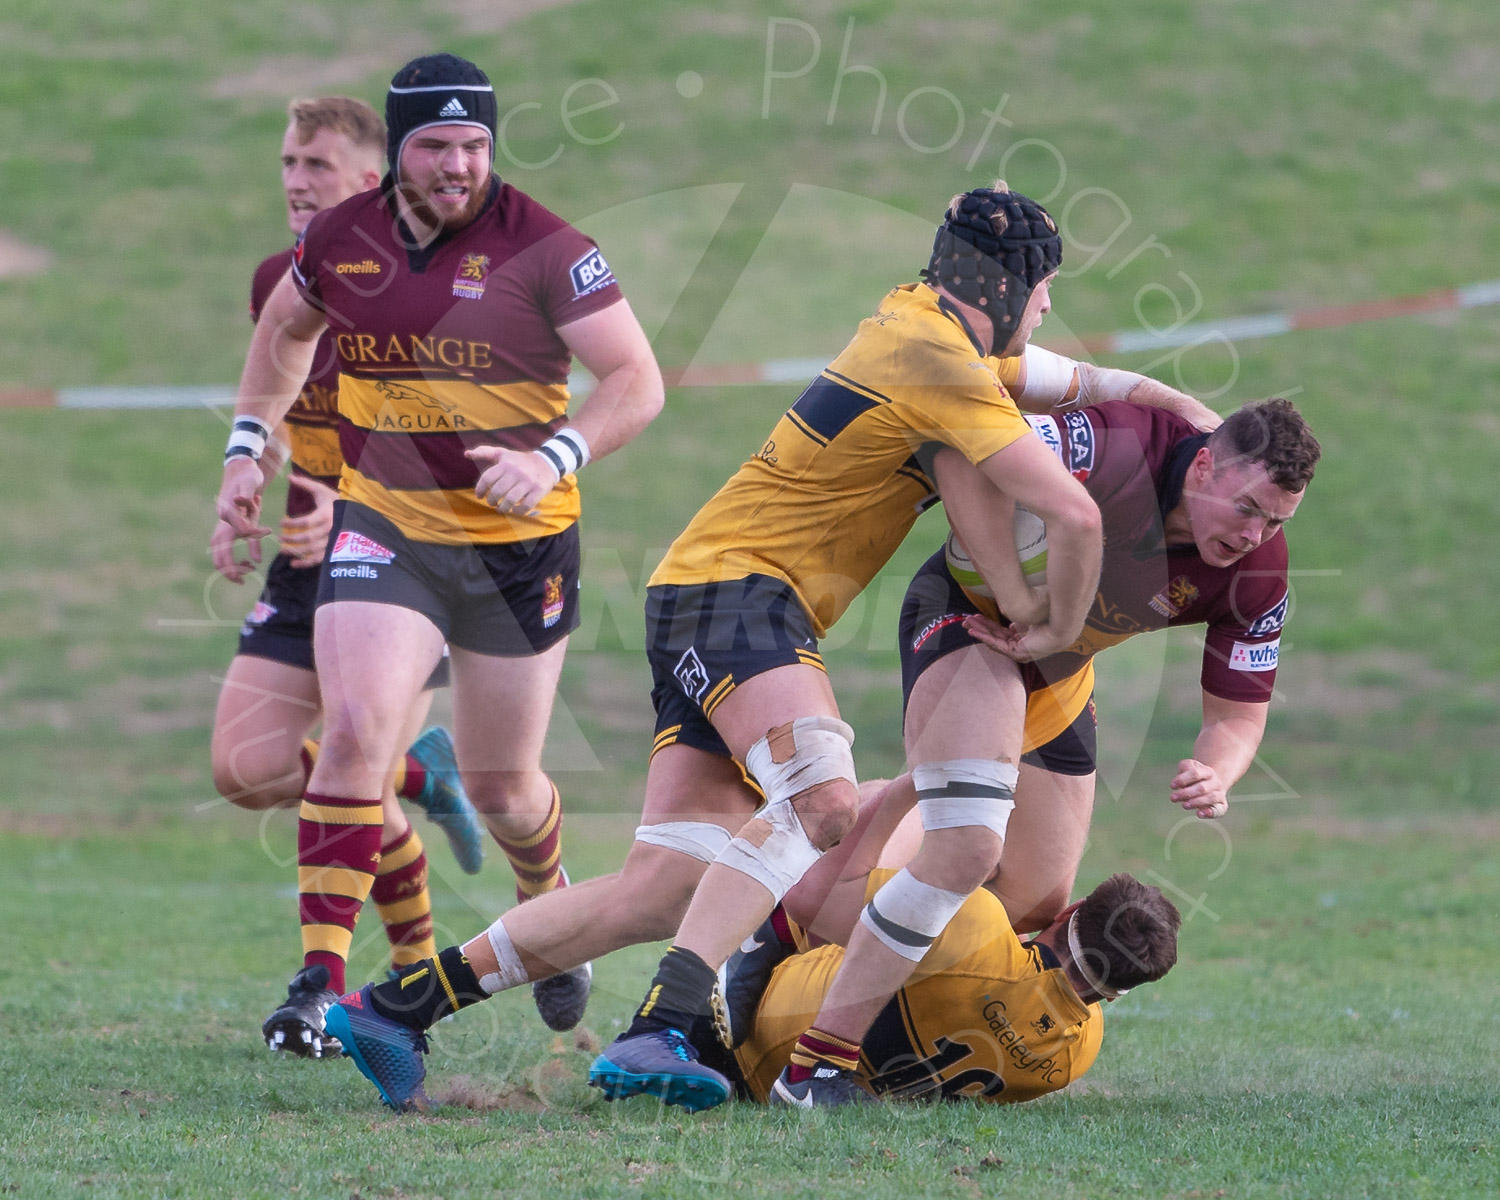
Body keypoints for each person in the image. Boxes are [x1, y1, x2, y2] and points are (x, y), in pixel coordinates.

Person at [315, 182, 1105, 1115]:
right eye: (1046, 286)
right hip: (740, 596)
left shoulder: (919, 326)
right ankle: (665, 1023)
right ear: (1010, 284)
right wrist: (1053, 627)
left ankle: (395, 1007)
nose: (1048, 306)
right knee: (821, 795)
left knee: (662, 887)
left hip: (710, 594)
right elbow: (1074, 508)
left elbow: (1040, 380)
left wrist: (1167, 399)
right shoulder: (939, 358)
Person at [213, 54, 664, 1050]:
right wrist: (249, 449)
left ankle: (549, 901)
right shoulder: (341, 237)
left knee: (507, 785)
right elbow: (285, 333)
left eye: (475, 145)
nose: (459, 165)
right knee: (358, 730)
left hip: (517, 546)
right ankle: (319, 986)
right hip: (385, 528)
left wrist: (556, 454)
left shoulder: (545, 246)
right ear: (400, 150)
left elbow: (637, 378)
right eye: (437, 146)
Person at [769, 396, 1320, 1104]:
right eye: (1248, 509)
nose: (1257, 534)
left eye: (1277, 520)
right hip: (974, 622)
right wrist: (1020, 601)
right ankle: (809, 1037)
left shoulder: (1259, 571)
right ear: (1206, 465)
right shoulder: (1114, 446)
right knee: (967, 843)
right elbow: (953, 447)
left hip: (1059, 673)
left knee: (1034, 902)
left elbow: (1238, 718)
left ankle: (866, 992)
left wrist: (1218, 769)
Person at [209, 95, 488, 1059]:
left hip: (409, 556)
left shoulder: (442, 284)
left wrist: (356, 493)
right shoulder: (277, 282)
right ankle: (425, 773)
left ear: (370, 180)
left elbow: (468, 437)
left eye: (317, 165)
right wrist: (250, 482)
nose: (295, 179)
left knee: (346, 767)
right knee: (243, 769)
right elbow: (286, 399)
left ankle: (384, 995)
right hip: (305, 558)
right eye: (288, 161)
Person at [692, 784, 1181, 1105]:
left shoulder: (975, 922)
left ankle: (761, 943)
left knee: (939, 835)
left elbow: (817, 896)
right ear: (1120, 991)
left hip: (740, 1035)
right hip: (770, 1088)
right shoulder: (1077, 1056)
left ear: (1071, 911)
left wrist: (910, 787)